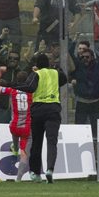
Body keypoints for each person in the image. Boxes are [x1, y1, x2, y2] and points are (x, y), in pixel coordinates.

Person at [13, 52, 66, 182]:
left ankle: (35, 173)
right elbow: (64, 79)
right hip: (53, 109)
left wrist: (11, 84)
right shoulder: (55, 73)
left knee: (37, 142)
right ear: (48, 63)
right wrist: (56, 68)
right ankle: (50, 169)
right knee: (52, 141)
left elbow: (29, 87)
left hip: (38, 110)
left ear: (37, 64)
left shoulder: (36, 74)